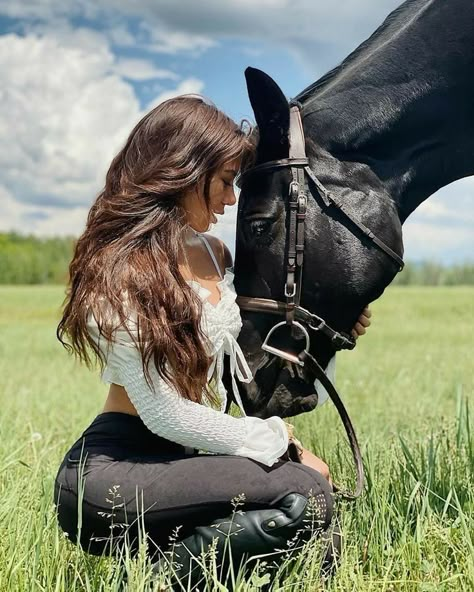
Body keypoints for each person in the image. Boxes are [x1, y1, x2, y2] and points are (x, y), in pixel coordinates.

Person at [53, 94, 371, 588]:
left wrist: (334, 327)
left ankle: (167, 567)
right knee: (303, 493)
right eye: (224, 181)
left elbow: (261, 350)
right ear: (181, 172)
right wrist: (277, 443)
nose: (231, 198)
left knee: (317, 515)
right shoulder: (118, 271)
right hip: (112, 471)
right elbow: (164, 413)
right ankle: (152, 582)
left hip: (182, 463)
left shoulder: (215, 253)